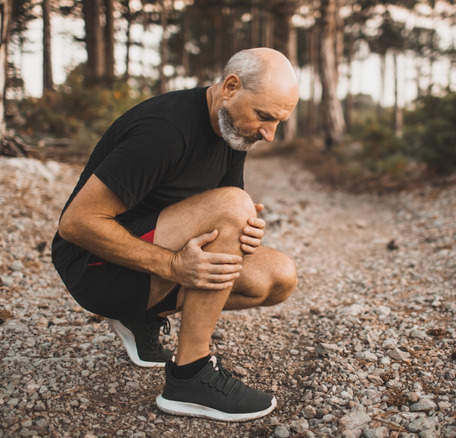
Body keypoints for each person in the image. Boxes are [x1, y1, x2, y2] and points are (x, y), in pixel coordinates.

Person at [50, 48, 299, 422]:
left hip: (145, 265)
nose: (268, 133)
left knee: (278, 277)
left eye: (279, 122)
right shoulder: (165, 131)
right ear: (231, 86)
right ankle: (189, 377)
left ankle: (140, 318)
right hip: (93, 267)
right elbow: (76, 223)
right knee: (233, 205)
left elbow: (220, 215)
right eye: (264, 117)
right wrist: (172, 265)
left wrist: (246, 231)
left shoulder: (232, 129)